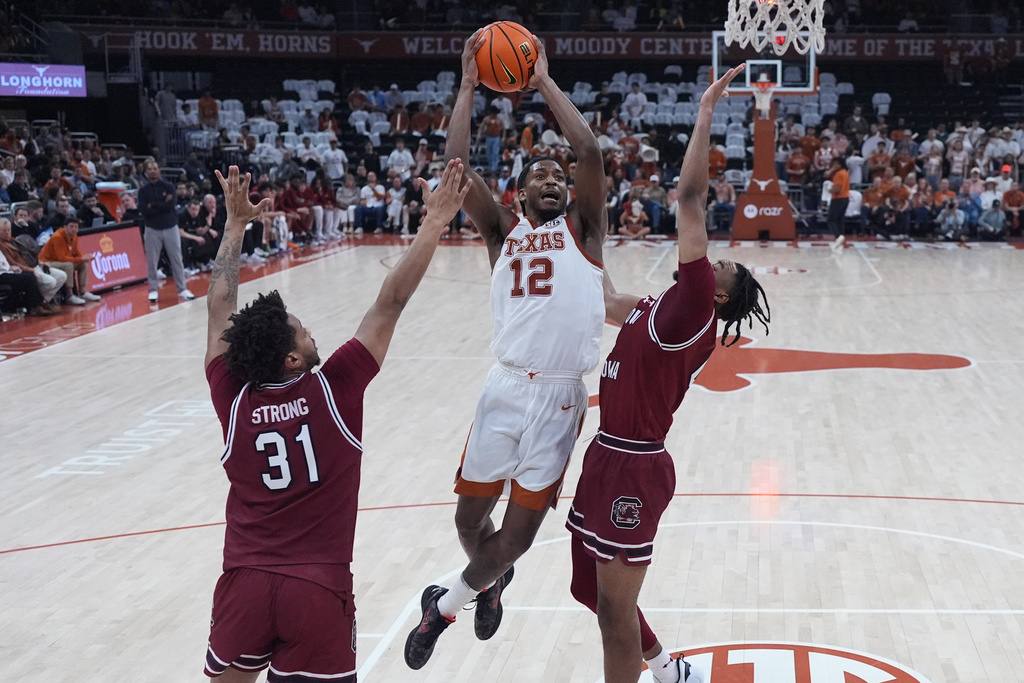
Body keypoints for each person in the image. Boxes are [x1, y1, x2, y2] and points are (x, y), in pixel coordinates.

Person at [200, 162, 470, 682]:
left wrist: (234, 227)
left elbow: (219, 309)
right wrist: (434, 224)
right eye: (302, 333)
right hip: (317, 590)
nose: (311, 333)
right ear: (293, 361)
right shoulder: (334, 386)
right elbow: (391, 300)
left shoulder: (232, 398)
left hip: (244, 585)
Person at [404, 31, 607, 670]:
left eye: (557, 174)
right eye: (538, 173)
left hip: (558, 396)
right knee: (471, 526)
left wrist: (542, 80)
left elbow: (590, 149)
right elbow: (456, 174)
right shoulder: (503, 233)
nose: (552, 177)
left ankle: (445, 608)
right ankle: (486, 584)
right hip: (503, 389)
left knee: (515, 538)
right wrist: (466, 85)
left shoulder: (587, 232)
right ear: (520, 195)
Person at [569, 64, 770, 683]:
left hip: (636, 463)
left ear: (716, 295)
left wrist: (706, 111)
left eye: (724, 268)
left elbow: (688, 199)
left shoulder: (689, 308)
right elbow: (603, 302)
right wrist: (583, 228)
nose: (718, 261)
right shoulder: (661, 305)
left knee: (613, 611)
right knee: (588, 591)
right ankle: (665, 667)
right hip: (604, 454)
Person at [139, 160, 195, 303]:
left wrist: (154, 205)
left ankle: (182, 289)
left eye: (155, 168)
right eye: (150, 169)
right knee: (152, 261)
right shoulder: (143, 191)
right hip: (152, 228)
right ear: (146, 172)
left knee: (177, 259)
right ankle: (152, 290)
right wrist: (161, 204)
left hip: (170, 227)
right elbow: (144, 210)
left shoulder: (169, 186)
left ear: (159, 171)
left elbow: (171, 205)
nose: (152, 171)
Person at [37, 216, 98, 305]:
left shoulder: (74, 236)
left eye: (76, 227)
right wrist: (81, 258)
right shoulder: (58, 237)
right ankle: (70, 295)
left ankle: (83, 292)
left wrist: (84, 257)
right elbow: (61, 258)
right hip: (46, 262)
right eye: (71, 226)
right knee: (68, 265)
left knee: (83, 263)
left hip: (58, 261)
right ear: (65, 227)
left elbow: (76, 251)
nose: (74, 229)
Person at [826, 157, 851, 249]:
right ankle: (841, 236)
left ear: (840, 164)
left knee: (831, 220)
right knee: (840, 219)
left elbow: (837, 189)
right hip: (846, 197)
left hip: (838, 198)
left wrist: (829, 189)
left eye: (836, 164)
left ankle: (838, 236)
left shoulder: (838, 174)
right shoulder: (846, 173)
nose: (834, 166)